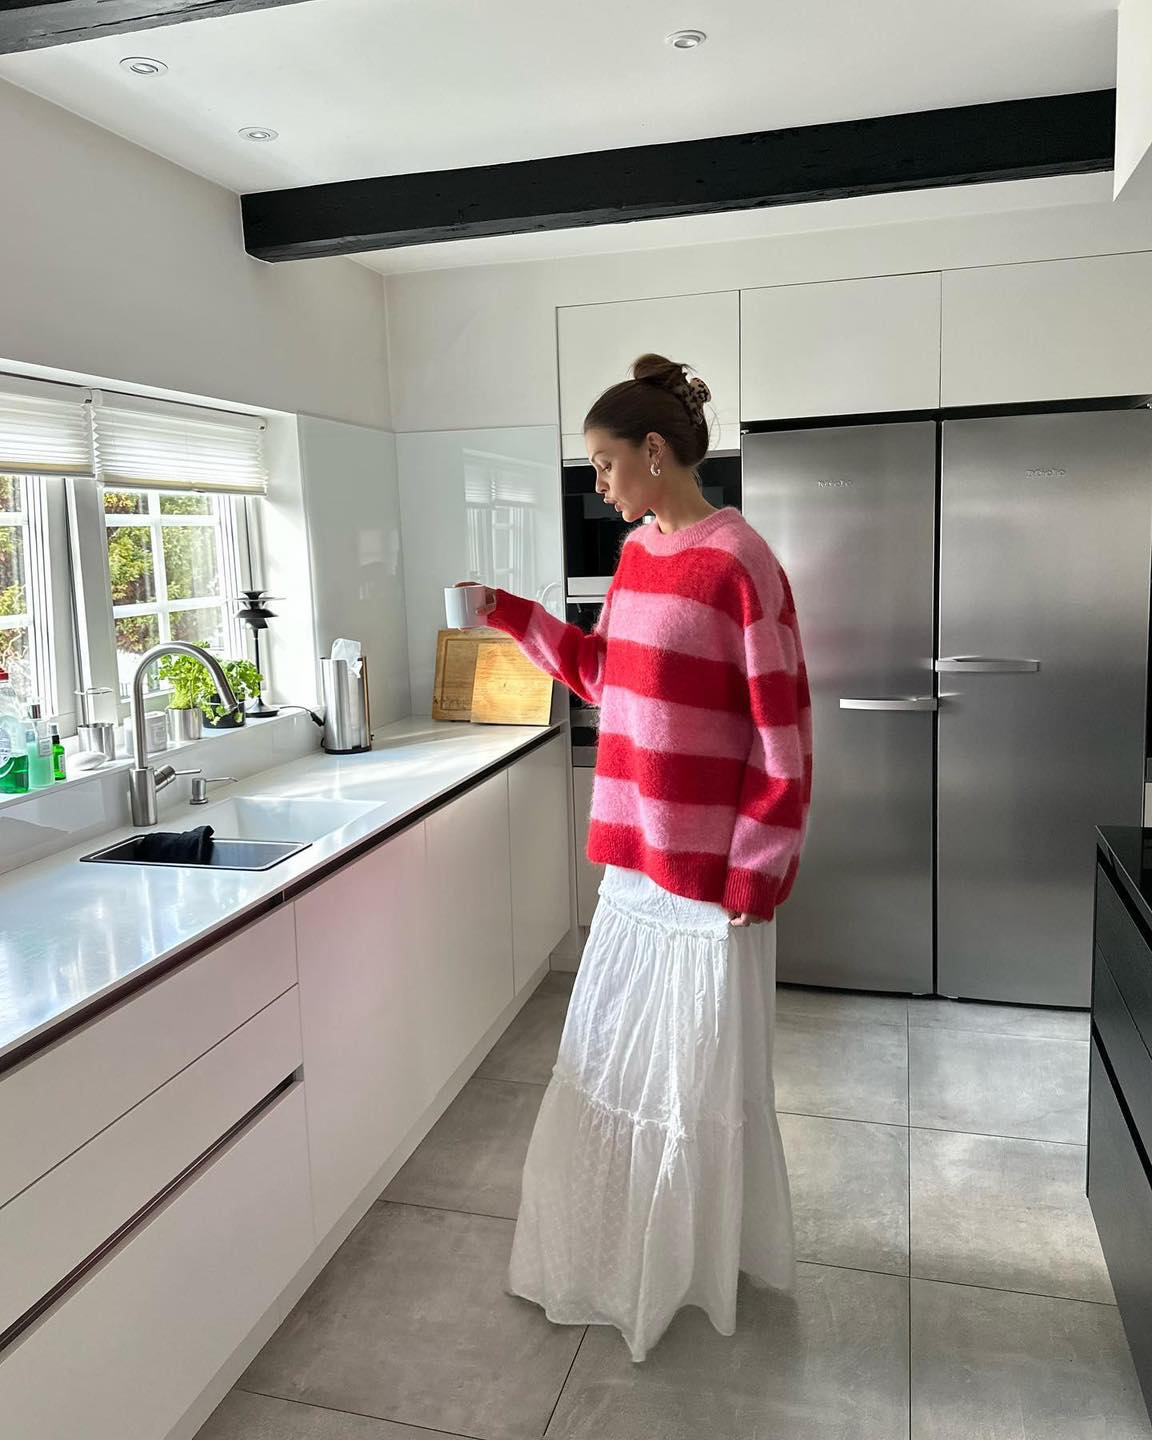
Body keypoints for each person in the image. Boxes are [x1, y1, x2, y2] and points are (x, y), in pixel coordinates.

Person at [459, 352, 813, 1363]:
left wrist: (755, 869)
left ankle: (693, 1266)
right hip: (635, 871)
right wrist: (511, 615)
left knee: (695, 1087)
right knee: (611, 1066)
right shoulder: (636, 558)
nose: (600, 483)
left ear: (655, 452)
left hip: (710, 885)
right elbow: (606, 678)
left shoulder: (741, 562)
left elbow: (784, 737)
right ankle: (617, 1255)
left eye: (606, 464)